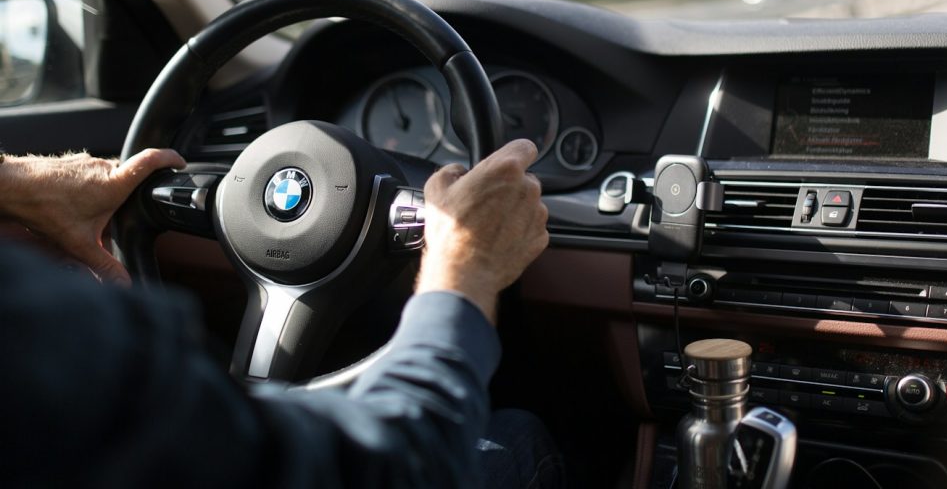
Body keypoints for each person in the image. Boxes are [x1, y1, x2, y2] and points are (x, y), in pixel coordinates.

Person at [0, 140, 563, 488]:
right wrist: (464, 264)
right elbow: (395, 466)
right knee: (514, 437)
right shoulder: (42, 334)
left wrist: (12, 183)